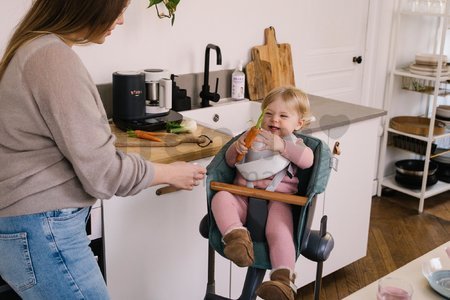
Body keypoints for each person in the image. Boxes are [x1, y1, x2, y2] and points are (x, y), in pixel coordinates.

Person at [0, 1, 206, 299]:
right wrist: (171, 173)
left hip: (32, 227)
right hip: (44, 229)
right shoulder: (52, 59)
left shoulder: (34, 48)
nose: (121, 21)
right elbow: (105, 173)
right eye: (118, 9)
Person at [211, 86, 314, 300]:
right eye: (268, 113)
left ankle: (282, 280)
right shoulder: (251, 136)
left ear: (299, 123)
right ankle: (236, 239)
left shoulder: (297, 144)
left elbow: (307, 160)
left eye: (283, 116)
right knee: (220, 198)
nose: (274, 119)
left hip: (277, 201)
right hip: (242, 195)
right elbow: (229, 162)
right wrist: (236, 150)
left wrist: (283, 147)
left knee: (280, 231)